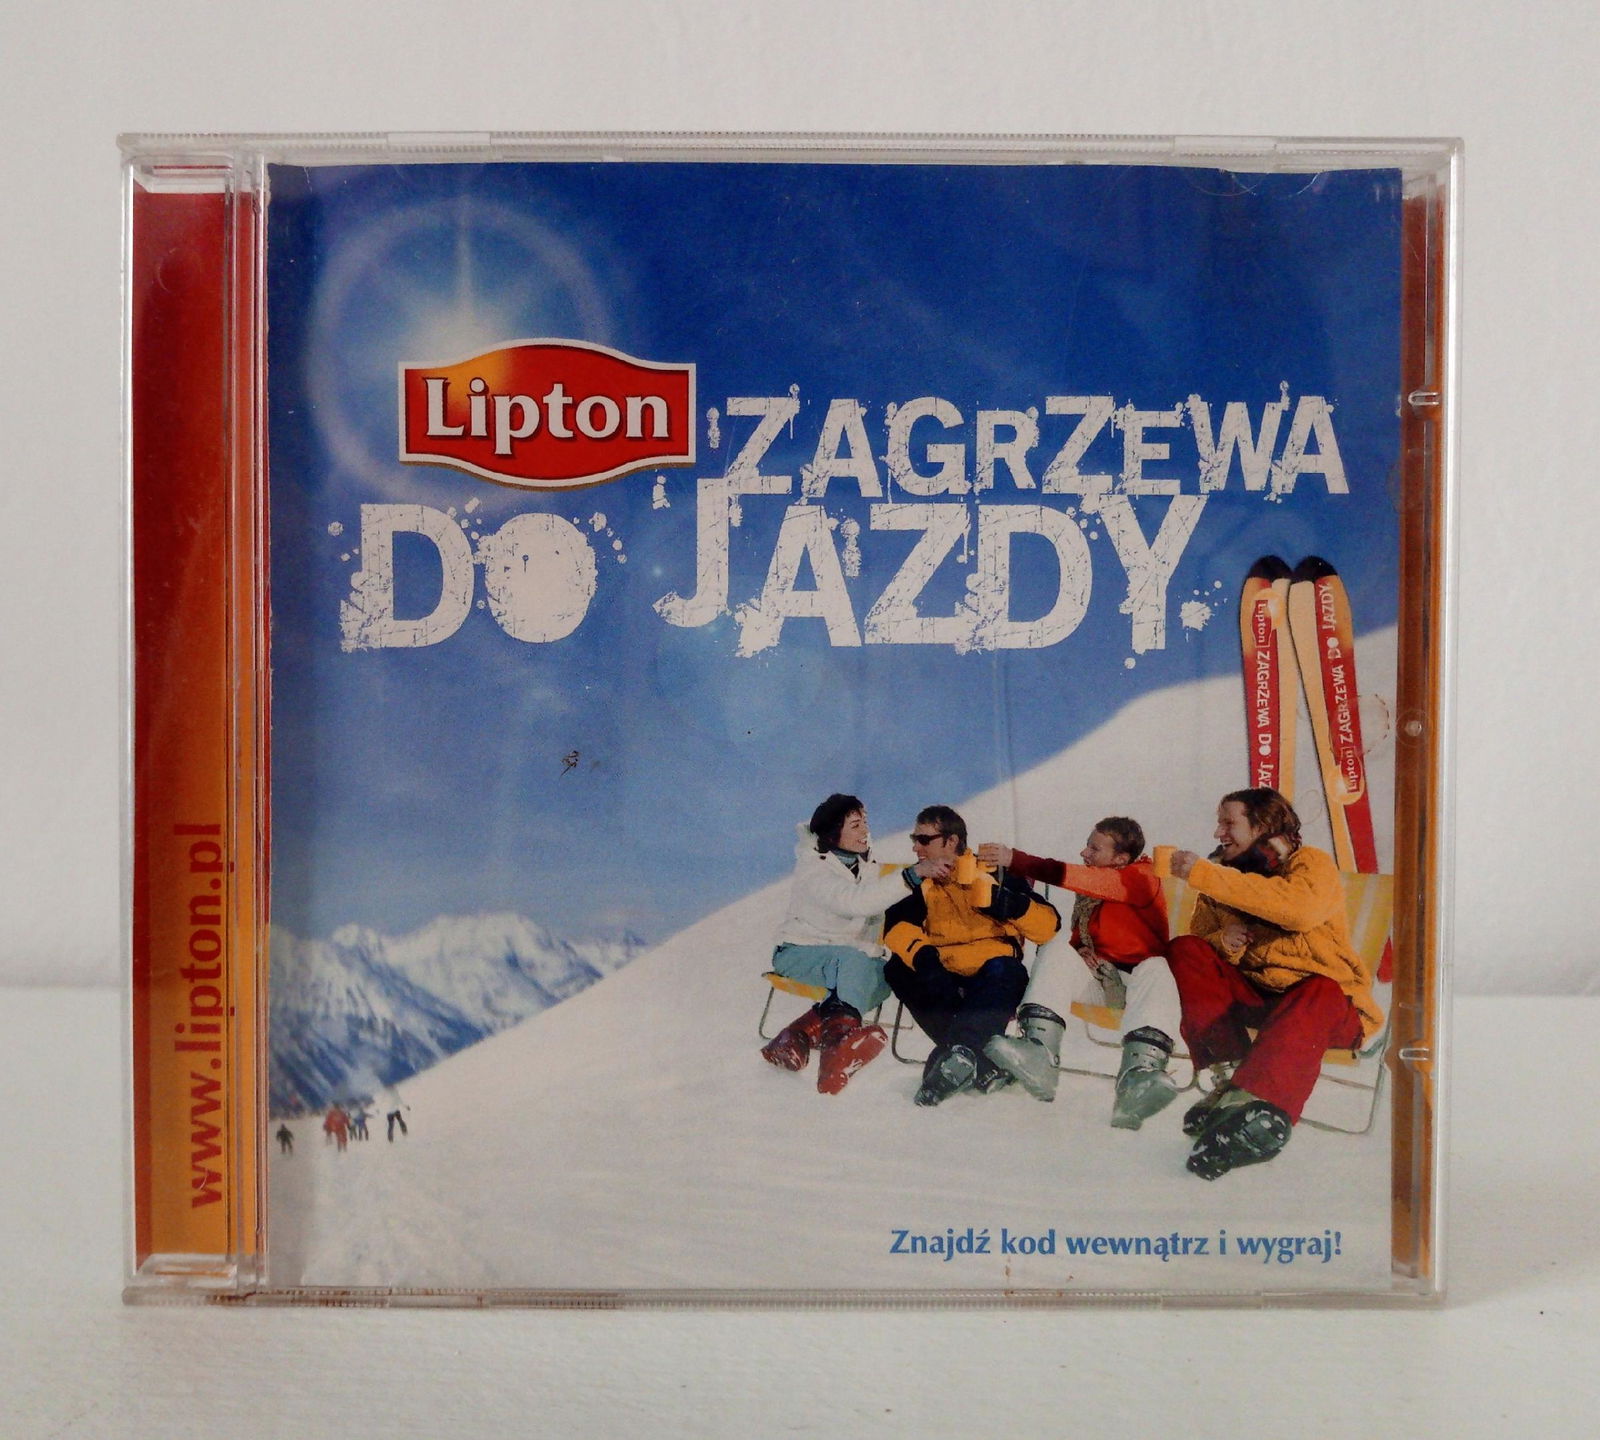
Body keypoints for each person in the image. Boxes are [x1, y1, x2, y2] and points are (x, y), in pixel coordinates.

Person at [1167, 788, 1383, 1180]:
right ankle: (1231, 1078)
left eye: (1228, 823)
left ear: (1262, 825)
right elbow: (1201, 949)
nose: (1218, 833)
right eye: (1218, 823)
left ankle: (1260, 1112)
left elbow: (1299, 911)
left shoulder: (1309, 863)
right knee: (1186, 949)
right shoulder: (1220, 876)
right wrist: (1223, 940)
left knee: (1319, 988)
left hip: (1327, 1010)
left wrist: (1208, 875)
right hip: (1261, 1001)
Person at [977, 817, 1180, 1128]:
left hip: (1140, 990)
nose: (1084, 853)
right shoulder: (1092, 893)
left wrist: (1013, 859)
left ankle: (1140, 1079)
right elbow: (1092, 930)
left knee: (1157, 967)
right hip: (1100, 979)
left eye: (1094, 849)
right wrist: (1082, 948)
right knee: (1057, 947)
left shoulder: (1141, 877)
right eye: (1087, 846)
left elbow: (1070, 875)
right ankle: (1039, 1054)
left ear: (1120, 859)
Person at [764, 794, 945, 1094]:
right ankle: (837, 1051)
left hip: (849, 960)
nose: (865, 831)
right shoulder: (814, 868)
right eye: (856, 825)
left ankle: (796, 1036)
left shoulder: (864, 865)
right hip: (798, 952)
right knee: (855, 963)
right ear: (833, 833)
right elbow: (856, 902)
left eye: (865, 823)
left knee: (886, 976)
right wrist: (912, 875)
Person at [882, 805, 1061, 1107]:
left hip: (992, 966)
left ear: (951, 841)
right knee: (898, 969)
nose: (915, 847)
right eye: (914, 839)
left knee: (1007, 971)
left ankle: (956, 1055)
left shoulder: (994, 871)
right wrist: (924, 956)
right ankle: (976, 1060)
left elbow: (1048, 927)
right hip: (942, 967)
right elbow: (896, 927)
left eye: (923, 840)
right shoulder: (921, 880)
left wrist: (1010, 904)